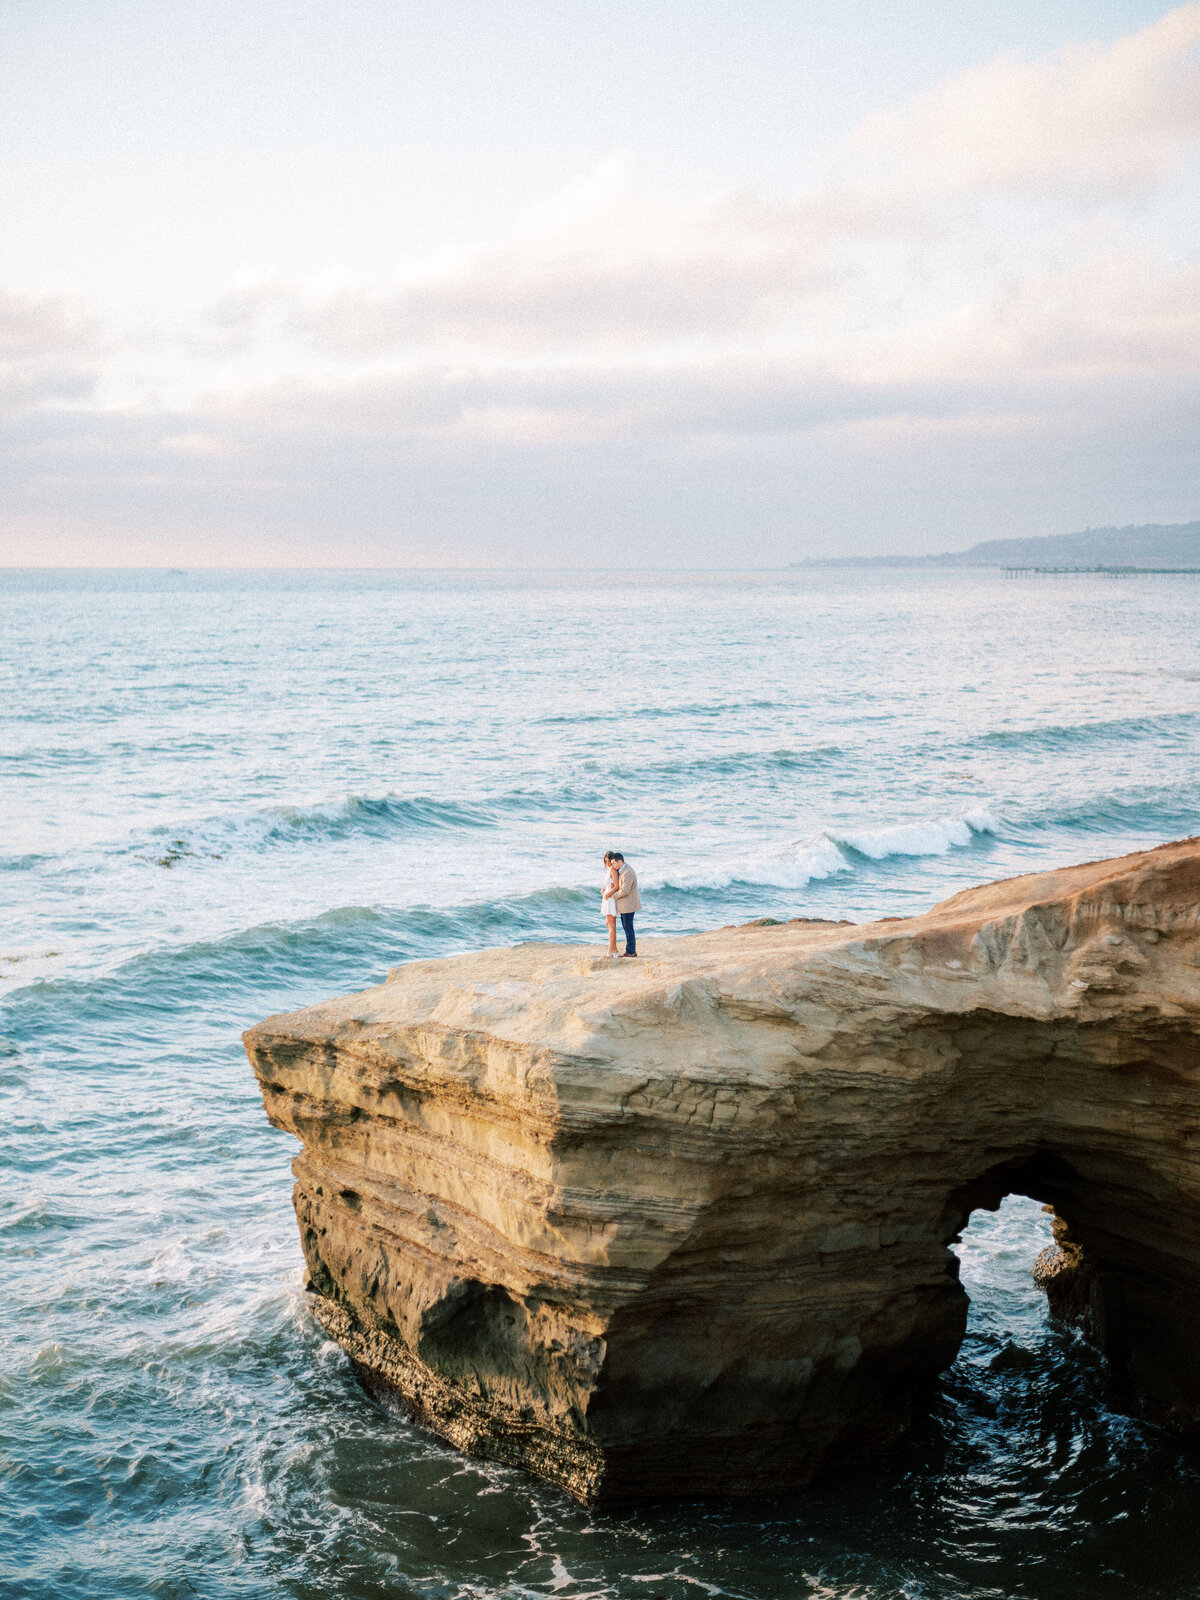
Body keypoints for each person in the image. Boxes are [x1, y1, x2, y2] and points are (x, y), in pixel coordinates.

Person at [606, 850, 641, 957]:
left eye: (614, 863)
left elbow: (625, 891)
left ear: (620, 862)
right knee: (628, 927)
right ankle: (630, 950)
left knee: (628, 928)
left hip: (628, 905)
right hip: (626, 905)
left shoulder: (627, 872)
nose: (612, 865)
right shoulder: (623, 870)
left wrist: (612, 896)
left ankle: (631, 951)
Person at [601, 854, 620, 956]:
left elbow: (616, 886)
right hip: (607, 898)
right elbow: (610, 885)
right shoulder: (609, 870)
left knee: (611, 925)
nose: (607, 863)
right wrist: (604, 890)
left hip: (610, 899)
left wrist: (608, 893)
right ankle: (614, 949)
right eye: (605, 861)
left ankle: (610, 950)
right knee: (608, 925)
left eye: (608, 861)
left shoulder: (613, 871)